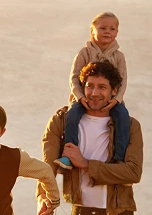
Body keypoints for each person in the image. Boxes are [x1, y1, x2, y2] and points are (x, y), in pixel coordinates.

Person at [42, 61, 143, 215]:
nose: (94, 93)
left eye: (102, 87)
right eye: (89, 86)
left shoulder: (130, 125)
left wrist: (86, 164)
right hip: (82, 209)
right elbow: (47, 166)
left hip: (118, 211)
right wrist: (43, 197)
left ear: (114, 91)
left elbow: (133, 172)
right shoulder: (63, 121)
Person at [55, 12, 130, 170]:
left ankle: (119, 159)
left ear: (117, 32)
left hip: (111, 99)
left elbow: (123, 81)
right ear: (92, 31)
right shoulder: (84, 53)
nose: (107, 31)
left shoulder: (119, 56)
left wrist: (116, 99)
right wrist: (80, 97)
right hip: (84, 98)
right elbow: (74, 78)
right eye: (102, 28)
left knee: (123, 116)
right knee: (72, 114)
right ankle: (69, 155)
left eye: (112, 28)